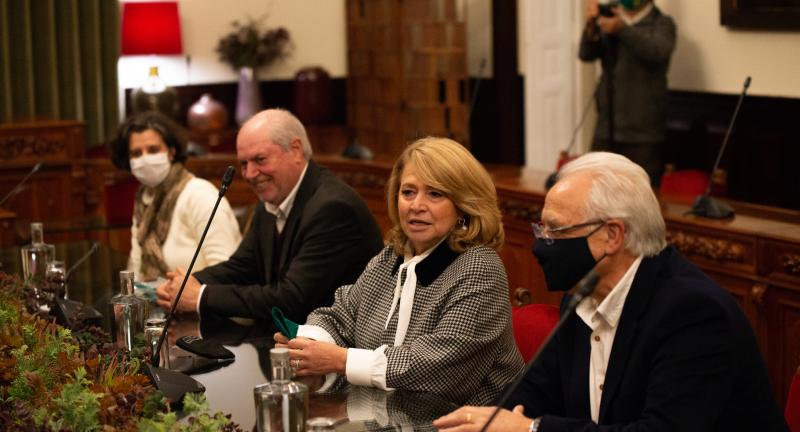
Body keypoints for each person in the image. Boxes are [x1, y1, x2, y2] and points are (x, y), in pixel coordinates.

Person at [434, 152, 797, 432]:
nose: (541, 244)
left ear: (612, 235)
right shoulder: (582, 296)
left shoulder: (694, 314)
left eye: (556, 230)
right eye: (540, 229)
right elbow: (533, 392)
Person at [275, 137, 523, 406]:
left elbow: (440, 369)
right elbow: (340, 317)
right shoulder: (390, 258)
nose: (416, 205)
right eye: (408, 192)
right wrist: (308, 345)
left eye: (435, 194)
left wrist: (340, 360)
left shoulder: (479, 267)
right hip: (394, 424)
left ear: (464, 205)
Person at [156, 109, 383, 322]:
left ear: (295, 150)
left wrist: (201, 296)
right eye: (244, 163)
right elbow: (242, 267)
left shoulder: (333, 209)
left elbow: (291, 299)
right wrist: (188, 283)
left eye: (260, 160)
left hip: (339, 351)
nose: (250, 174)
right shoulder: (272, 201)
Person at [109, 112, 241, 282]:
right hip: (158, 302)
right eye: (136, 153)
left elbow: (225, 270)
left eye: (153, 150)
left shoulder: (199, 194)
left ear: (171, 152)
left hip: (203, 303)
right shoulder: (144, 199)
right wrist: (129, 298)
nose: (144, 159)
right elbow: (136, 262)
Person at [580, 0, 676, 186]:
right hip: (607, 127)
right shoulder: (611, 16)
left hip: (643, 134)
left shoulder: (662, 23)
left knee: (639, 196)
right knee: (595, 191)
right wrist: (591, 23)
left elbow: (656, 52)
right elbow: (586, 53)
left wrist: (622, 29)